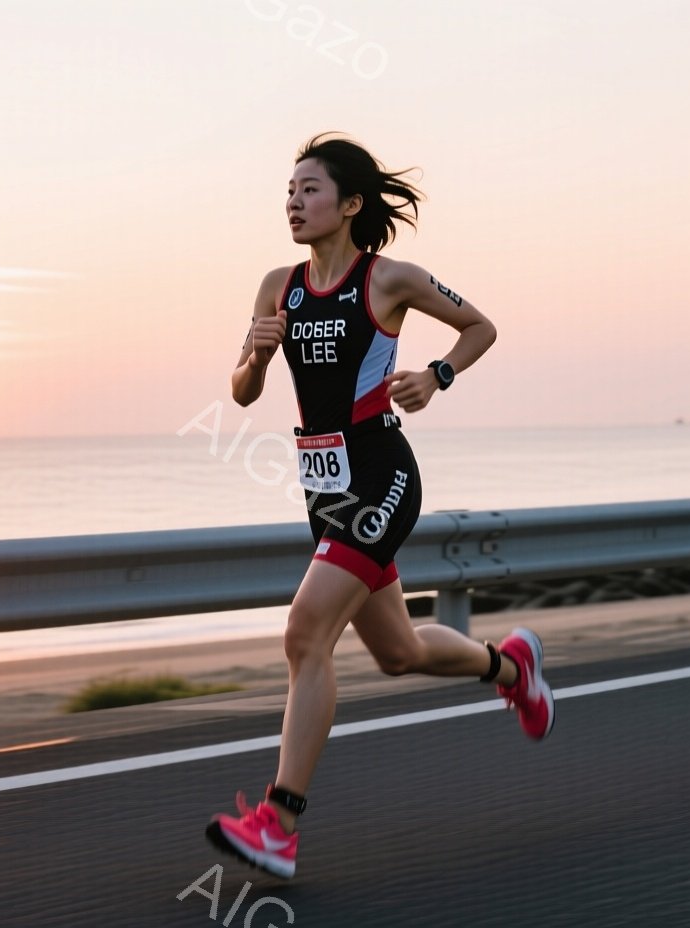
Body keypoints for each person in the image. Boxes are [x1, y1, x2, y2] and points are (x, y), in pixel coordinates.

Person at [204, 133, 554, 879]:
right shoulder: (277, 284)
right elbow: (240, 392)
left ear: (351, 204)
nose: (294, 203)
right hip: (322, 486)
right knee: (397, 652)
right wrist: (257, 354)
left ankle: (279, 823)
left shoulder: (391, 279)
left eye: (310, 190)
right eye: (288, 191)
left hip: (382, 474)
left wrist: (437, 377)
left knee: (305, 634)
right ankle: (512, 668)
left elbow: (480, 328)